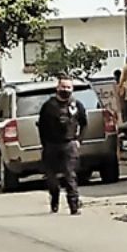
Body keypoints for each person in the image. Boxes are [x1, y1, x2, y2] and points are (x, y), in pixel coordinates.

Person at [36, 74, 87, 215]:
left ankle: (74, 205)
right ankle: (55, 198)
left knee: (70, 176)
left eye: (68, 87)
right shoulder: (48, 106)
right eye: (63, 87)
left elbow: (84, 123)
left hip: (69, 145)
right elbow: (42, 126)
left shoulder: (76, 105)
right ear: (57, 87)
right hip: (51, 145)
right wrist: (44, 144)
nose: (65, 89)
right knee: (51, 178)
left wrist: (78, 140)